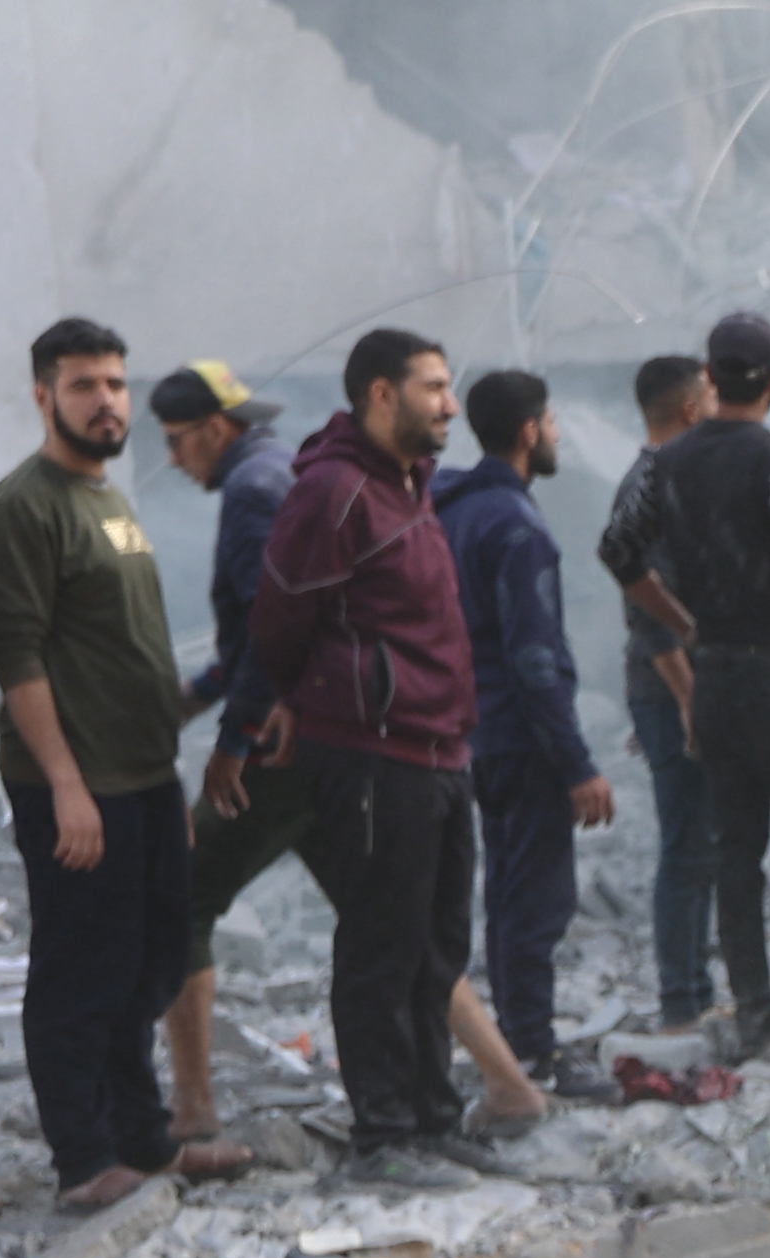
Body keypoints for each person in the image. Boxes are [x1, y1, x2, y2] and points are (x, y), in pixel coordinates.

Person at [0, 315, 197, 1216]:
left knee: (153, 962)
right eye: (83, 386)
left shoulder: (110, 500)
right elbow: (17, 659)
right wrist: (65, 783)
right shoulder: (24, 507)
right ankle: (83, 1157)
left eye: (114, 383)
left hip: (142, 777)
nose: (105, 401)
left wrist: (162, 779)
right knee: (81, 972)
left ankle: (144, 1137)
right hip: (77, 787)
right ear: (43, 396)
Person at [249, 328, 483, 1167]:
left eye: (450, 387)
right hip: (377, 753)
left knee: (437, 948)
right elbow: (280, 620)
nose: (449, 404)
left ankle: (433, 1123)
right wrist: (303, 699)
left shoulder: (411, 484)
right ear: (381, 395)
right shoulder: (335, 491)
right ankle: (383, 1133)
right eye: (433, 388)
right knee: (382, 948)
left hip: (442, 750)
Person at [634, 309, 770, 1049]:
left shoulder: (666, 463)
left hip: (718, 678)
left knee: (737, 852)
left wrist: (687, 623)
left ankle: (755, 1011)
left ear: (711, 377)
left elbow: (619, 551)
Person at [441, 370, 612, 1089]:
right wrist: (576, 764)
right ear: (527, 432)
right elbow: (535, 657)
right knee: (536, 898)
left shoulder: (451, 511)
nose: (558, 434)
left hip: (468, 735)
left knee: (506, 890)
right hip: (520, 735)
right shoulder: (518, 527)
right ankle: (534, 1050)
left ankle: (514, 1043)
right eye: (550, 422)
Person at [154, 359, 296, 1174]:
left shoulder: (249, 493)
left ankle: (194, 1102)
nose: (176, 460)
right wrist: (201, 693)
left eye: (178, 443)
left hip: (278, 747)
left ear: (215, 429)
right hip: (326, 736)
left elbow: (271, 635)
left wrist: (231, 741)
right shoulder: (287, 468)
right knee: (390, 920)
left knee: (182, 896)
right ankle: (503, 1080)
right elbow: (249, 640)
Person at [595, 353, 718, 1034]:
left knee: (700, 843)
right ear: (691, 409)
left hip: (671, 693)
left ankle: (696, 990)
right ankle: (681, 1000)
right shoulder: (653, 486)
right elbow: (651, 617)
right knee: (687, 847)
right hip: (673, 692)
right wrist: (687, 700)